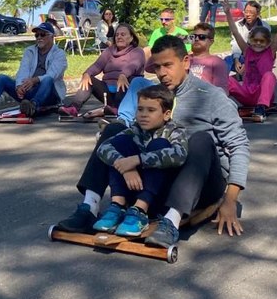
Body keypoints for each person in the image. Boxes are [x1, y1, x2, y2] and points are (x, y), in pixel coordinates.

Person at [56, 35, 249, 248]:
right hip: (157, 177)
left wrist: (230, 200)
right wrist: (127, 165)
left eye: (168, 65)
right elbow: (133, 136)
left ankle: (171, 222)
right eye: (157, 67)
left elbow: (239, 146)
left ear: (186, 62)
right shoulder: (155, 96)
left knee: (200, 139)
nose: (162, 73)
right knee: (115, 129)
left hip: (202, 184)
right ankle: (89, 208)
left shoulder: (212, 96)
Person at [92, 85, 188, 237]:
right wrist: (127, 167)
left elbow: (179, 154)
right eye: (140, 109)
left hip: (158, 196)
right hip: (134, 187)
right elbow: (103, 148)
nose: (143, 115)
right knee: (121, 143)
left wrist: (137, 160)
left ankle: (140, 211)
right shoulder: (136, 129)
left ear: (166, 114)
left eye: (151, 110)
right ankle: (118, 205)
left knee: (159, 145)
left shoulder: (174, 130)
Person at [0, 22, 67, 119]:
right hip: (29, 91)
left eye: (43, 34)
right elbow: (23, 69)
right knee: (1, 78)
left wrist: (34, 80)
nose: (39, 37)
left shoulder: (59, 54)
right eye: (37, 35)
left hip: (49, 94)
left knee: (48, 79)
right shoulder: (29, 51)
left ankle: (33, 106)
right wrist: (19, 86)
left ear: (51, 36)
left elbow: (53, 74)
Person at [59, 23, 144, 117]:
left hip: (126, 92)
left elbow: (133, 65)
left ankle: (118, 108)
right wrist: (87, 73)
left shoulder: (137, 51)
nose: (119, 37)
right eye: (117, 35)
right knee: (89, 78)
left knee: (131, 79)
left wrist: (123, 75)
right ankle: (74, 108)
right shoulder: (109, 51)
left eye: (123, 35)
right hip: (108, 92)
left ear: (131, 38)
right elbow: (97, 65)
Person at [228, 0, 277, 118]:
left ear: (268, 42)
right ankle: (218, 106)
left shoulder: (270, 51)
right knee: (226, 79)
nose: (258, 43)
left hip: (264, 95)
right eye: (255, 40)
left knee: (269, 75)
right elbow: (235, 31)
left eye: (262, 41)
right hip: (247, 94)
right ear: (250, 40)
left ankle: (261, 107)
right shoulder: (247, 50)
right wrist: (228, 12)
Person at [187, 22, 230, 90]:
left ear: (211, 42)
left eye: (202, 37)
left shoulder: (217, 63)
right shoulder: (184, 59)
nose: (196, 39)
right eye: (194, 37)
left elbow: (221, 92)